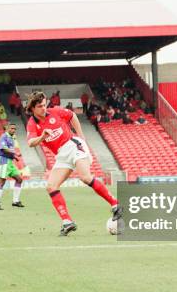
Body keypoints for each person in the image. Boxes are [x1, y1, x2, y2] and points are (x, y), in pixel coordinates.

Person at [26, 91, 121, 236]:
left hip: (73, 145)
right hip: (61, 156)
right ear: (32, 108)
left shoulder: (55, 112)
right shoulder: (32, 124)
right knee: (51, 186)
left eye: (44, 105)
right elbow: (31, 142)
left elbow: (72, 115)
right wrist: (42, 136)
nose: (44, 108)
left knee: (85, 177)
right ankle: (67, 222)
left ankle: (116, 204)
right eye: (39, 106)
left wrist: (81, 136)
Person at [0, 123, 24, 210]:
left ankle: (15, 201)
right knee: (1, 181)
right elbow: (3, 149)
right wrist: (15, 153)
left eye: (15, 129)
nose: (13, 130)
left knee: (19, 179)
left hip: (10, 162)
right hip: (3, 160)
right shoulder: (4, 136)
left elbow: (9, 151)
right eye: (12, 128)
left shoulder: (12, 138)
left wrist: (15, 157)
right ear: (7, 129)